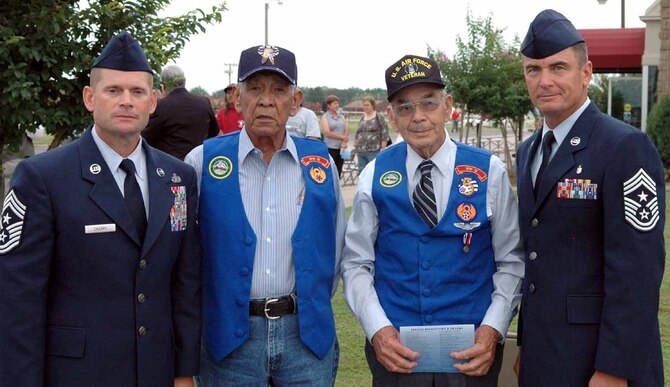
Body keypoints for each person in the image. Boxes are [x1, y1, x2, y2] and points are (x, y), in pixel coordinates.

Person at [0, 31, 201, 387]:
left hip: (155, 371)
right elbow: (18, 300)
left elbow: (184, 283)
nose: (127, 101)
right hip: (76, 374)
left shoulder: (177, 177)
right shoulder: (42, 177)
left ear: (153, 102)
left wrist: (184, 370)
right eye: (113, 91)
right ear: (90, 98)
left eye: (137, 92)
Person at [341, 54, 524, 386]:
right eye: (405, 107)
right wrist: (378, 330)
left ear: (448, 106)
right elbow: (356, 263)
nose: (418, 117)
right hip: (396, 356)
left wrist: (492, 330)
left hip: (471, 356)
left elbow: (512, 260)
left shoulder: (489, 172)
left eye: (428, 103)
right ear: (391, 116)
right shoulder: (374, 174)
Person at [514, 10, 665, 387]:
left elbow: (637, 270)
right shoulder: (528, 150)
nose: (544, 81)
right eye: (533, 70)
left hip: (601, 362)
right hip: (543, 355)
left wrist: (615, 369)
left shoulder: (625, 147)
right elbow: (538, 258)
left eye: (558, 67)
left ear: (587, 73)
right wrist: (528, 347)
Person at [184, 44, 346, 386]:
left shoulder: (319, 164)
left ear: (296, 100)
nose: (266, 100)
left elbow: (335, 247)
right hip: (229, 338)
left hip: (304, 337)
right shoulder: (202, 162)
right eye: (254, 89)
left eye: (278, 90)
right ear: (237, 99)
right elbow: (186, 256)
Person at [142, 65, 220, 160]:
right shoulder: (204, 102)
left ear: (164, 86)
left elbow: (147, 138)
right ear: (184, 82)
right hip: (199, 164)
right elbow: (214, 131)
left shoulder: (162, 106)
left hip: (170, 166)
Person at [354, 96, 388, 172]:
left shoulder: (379, 116)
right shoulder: (362, 117)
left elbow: (385, 132)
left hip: (374, 150)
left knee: (373, 171)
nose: (365, 107)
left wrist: (383, 147)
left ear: (373, 105)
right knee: (362, 171)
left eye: (367, 105)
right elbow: (358, 131)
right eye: (364, 105)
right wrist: (355, 142)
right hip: (361, 150)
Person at [321, 94, 349, 177]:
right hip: (330, 147)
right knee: (330, 171)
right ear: (329, 105)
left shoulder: (341, 116)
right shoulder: (325, 117)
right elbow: (327, 132)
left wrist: (344, 141)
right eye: (335, 104)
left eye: (338, 103)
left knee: (338, 170)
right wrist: (341, 137)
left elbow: (346, 129)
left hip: (341, 148)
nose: (337, 105)